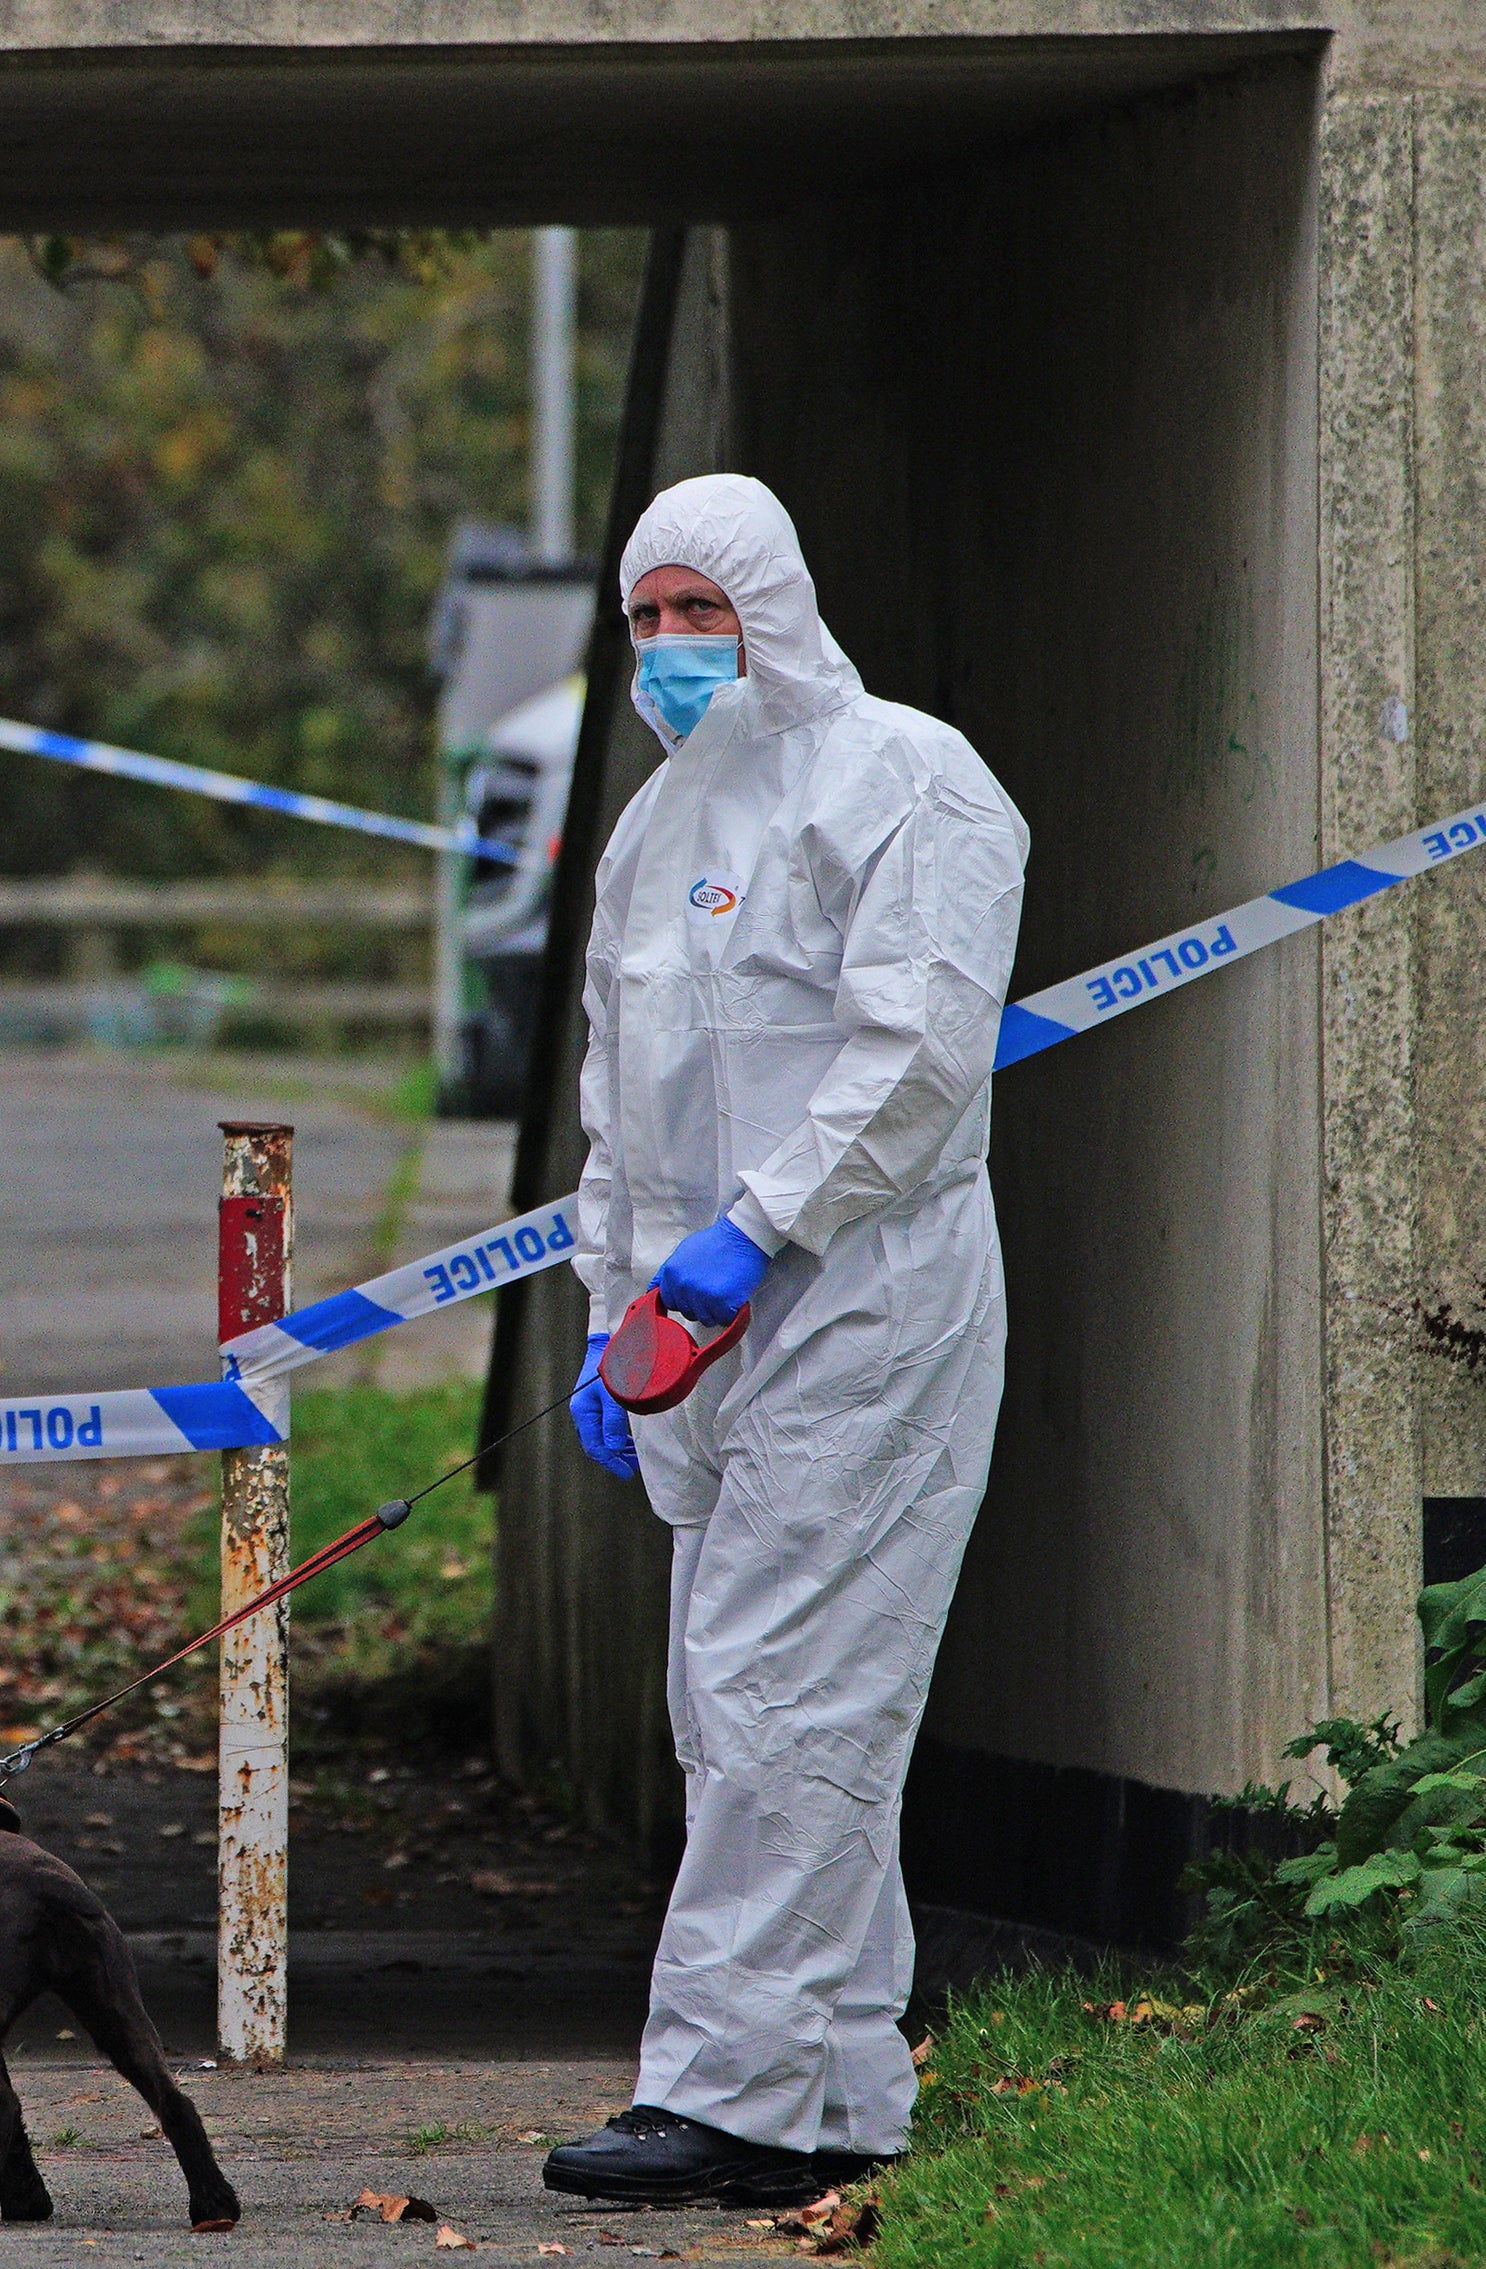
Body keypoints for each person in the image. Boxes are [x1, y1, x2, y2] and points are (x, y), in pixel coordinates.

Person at [540, 475, 1030, 2208]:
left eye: (704, 610)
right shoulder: (652, 828)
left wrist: (757, 1230)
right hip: (700, 1328)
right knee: (754, 1703)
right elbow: (621, 1108)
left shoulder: (909, 779)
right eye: (647, 617)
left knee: (777, 1691)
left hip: (862, 1305)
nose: (673, 647)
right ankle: (834, 2087)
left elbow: (917, 1054)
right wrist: (611, 1311)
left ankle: (724, 2096)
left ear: (778, 609)